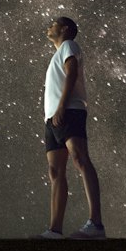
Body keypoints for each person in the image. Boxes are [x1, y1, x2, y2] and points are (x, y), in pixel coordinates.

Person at [36, 15, 105, 238]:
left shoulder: (69, 45)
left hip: (68, 111)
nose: (49, 26)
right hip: (53, 119)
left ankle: (96, 224)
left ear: (64, 29)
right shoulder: (57, 53)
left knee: (79, 158)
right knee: (55, 171)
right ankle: (54, 230)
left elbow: (71, 72)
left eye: (53, 24)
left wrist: (62, 107)